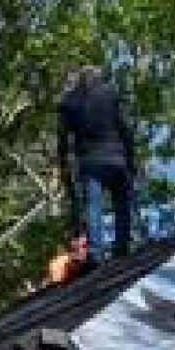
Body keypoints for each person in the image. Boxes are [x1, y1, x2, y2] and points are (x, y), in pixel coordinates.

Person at [56, 64, 138, 260]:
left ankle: (96, 253)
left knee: (93, 207)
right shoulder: (111, 94)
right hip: (117, 159)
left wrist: (64, 167)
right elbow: (125, 128)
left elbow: (63, 141)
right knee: (122, 205)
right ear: (98, 78)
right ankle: (122, 249)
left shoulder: (69, 102)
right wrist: (131, 158)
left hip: (90, 162)